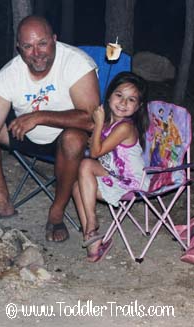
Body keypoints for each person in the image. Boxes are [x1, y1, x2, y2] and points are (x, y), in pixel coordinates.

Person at [0, 15, 100, 242]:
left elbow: (90, 120)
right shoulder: (8, 75)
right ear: (19, 47)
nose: (37, 53)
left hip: (65, 141)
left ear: (54, 40)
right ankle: (2, 203)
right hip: (24, 134)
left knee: (74, 139)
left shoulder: (77, 63)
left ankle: (56, 212)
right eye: (28, 46)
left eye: (42, 43)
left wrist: (39, 117)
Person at [72, 72, 149, 262]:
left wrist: (98, 124)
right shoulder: (108, 124)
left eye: (131, 99)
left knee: (86, 164)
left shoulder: (125, 127)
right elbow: (94, 149)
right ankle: (93, 241)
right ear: (109, 96)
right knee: (77, 183)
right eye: (119, 95)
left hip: (132, 182)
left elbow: (96, 152)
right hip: (116, 175)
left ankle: (91, 222)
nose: (123, 103)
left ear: (138, 106)